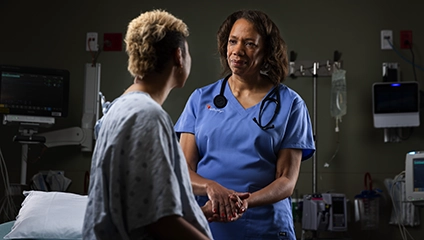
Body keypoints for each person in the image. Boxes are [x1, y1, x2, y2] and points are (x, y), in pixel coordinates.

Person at [174, 9, 315, 240]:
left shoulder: (290, 104)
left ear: (266, 51)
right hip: (210, 226)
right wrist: (211, 187)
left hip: (266, 228)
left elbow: (286, 181)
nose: (238, 51)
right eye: (233, 41)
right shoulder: (200, 100)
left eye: (250, 44)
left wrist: (244, 202)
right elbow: (183, 170)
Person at [83, 9, 221, 240]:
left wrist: (198, 214)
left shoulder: (121, 108)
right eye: (188, 53)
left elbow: (138, 204)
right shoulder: (147, 116)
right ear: (179, 56)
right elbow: (160, 221)